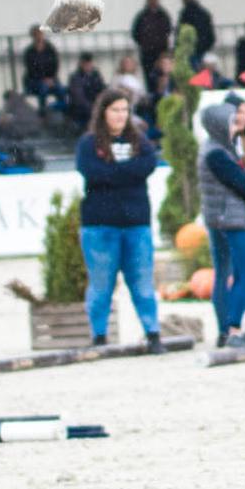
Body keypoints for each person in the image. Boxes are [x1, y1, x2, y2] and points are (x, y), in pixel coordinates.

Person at [75, 88, 161, 349]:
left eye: (125, 110)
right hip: (100, 225)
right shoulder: (89, 144)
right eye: (115, 110)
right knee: (101, 285)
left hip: (137, 224)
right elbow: (92, 171)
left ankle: (153, 332)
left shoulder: (141, 142)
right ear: (103, 112)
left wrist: (114, 173)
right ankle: (99, 335)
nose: (121, 115)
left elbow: (148, 165)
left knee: (143, 283)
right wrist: (126, 174)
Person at [198, 98, 245, 347]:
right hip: (232, 217)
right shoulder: (217, 152)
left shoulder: (218, 148)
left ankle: (226, 330)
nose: (237, 126)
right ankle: (234, 328)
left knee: (225, 274)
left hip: (220, 217)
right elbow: (243, 185)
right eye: (232, 122)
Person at [131, 0, 172, 85]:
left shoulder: (163, 15)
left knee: (163, 75)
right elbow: (136, 33)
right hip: (147, 52)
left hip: (161, 52)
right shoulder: (142, 16)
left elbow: (168, 30)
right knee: (149, 77)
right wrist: (144, 43)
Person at [23, 26, 65, 114]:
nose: (39, 37)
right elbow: (31, 69)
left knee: (61, 90)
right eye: (37, 35)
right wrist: (43, 79)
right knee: (43, 89)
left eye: (40, 34)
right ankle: (43, 113)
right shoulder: (29, 52)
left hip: (51, 79)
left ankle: (62, 112)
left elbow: (55, 65)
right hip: (35, 81)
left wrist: (51, 78)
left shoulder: (50, 49)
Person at [178, 0, 216, 68]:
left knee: (193, 74)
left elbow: (180, 33)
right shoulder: (203, 12)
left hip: (191, 51)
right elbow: (210, 34)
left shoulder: (185, 14)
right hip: (201, 49)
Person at [67, 52, 106, 127]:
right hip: (81, 107)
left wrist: (101, 102)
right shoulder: (75, 77)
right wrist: (93, 107)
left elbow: (102, 89)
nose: (88, 66)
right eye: (85, 64)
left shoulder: (96, 74)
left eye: (89, 63)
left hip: (96, 103)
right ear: (81, 64)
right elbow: (78, 97)